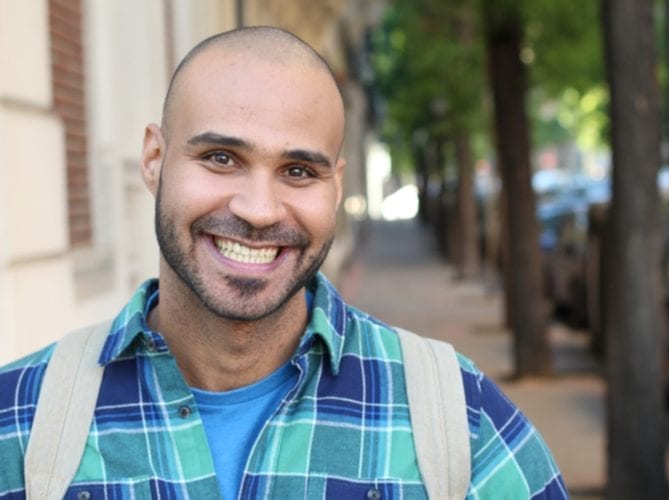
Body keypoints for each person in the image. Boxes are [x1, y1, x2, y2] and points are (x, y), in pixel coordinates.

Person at [0, 26, 566, 499]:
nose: (259, 210)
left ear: (335, 186)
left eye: (298, 171)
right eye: (221, 158)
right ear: (155, 160)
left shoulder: (456, 422)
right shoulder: (20, 425)